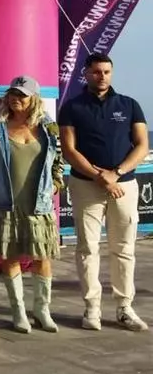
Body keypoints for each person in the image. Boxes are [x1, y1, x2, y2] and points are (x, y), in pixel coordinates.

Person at [58, 52, 149, 332]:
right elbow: (69, 150)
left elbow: (142, 145)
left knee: (124, 248)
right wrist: (99, 176)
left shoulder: (129, 104)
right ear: (86, 73)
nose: (102, 77)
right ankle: (92, 308)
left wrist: (116, 173)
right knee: (88, 248)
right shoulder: (72, 107)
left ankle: (124, 308)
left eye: (107, 72)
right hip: (86, 185)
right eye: (97, 72)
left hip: (124, 185)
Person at [0, 76, 63, 333]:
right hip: (6, 204)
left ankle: (42, 310)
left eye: (22, 95)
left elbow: (58, 158)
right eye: (13, 93)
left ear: (34, 98)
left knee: (42, 257)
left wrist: (57, 182)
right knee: (10, 256)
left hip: (39, 205)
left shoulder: (49, 128)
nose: (16, 98)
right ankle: (18, 311)